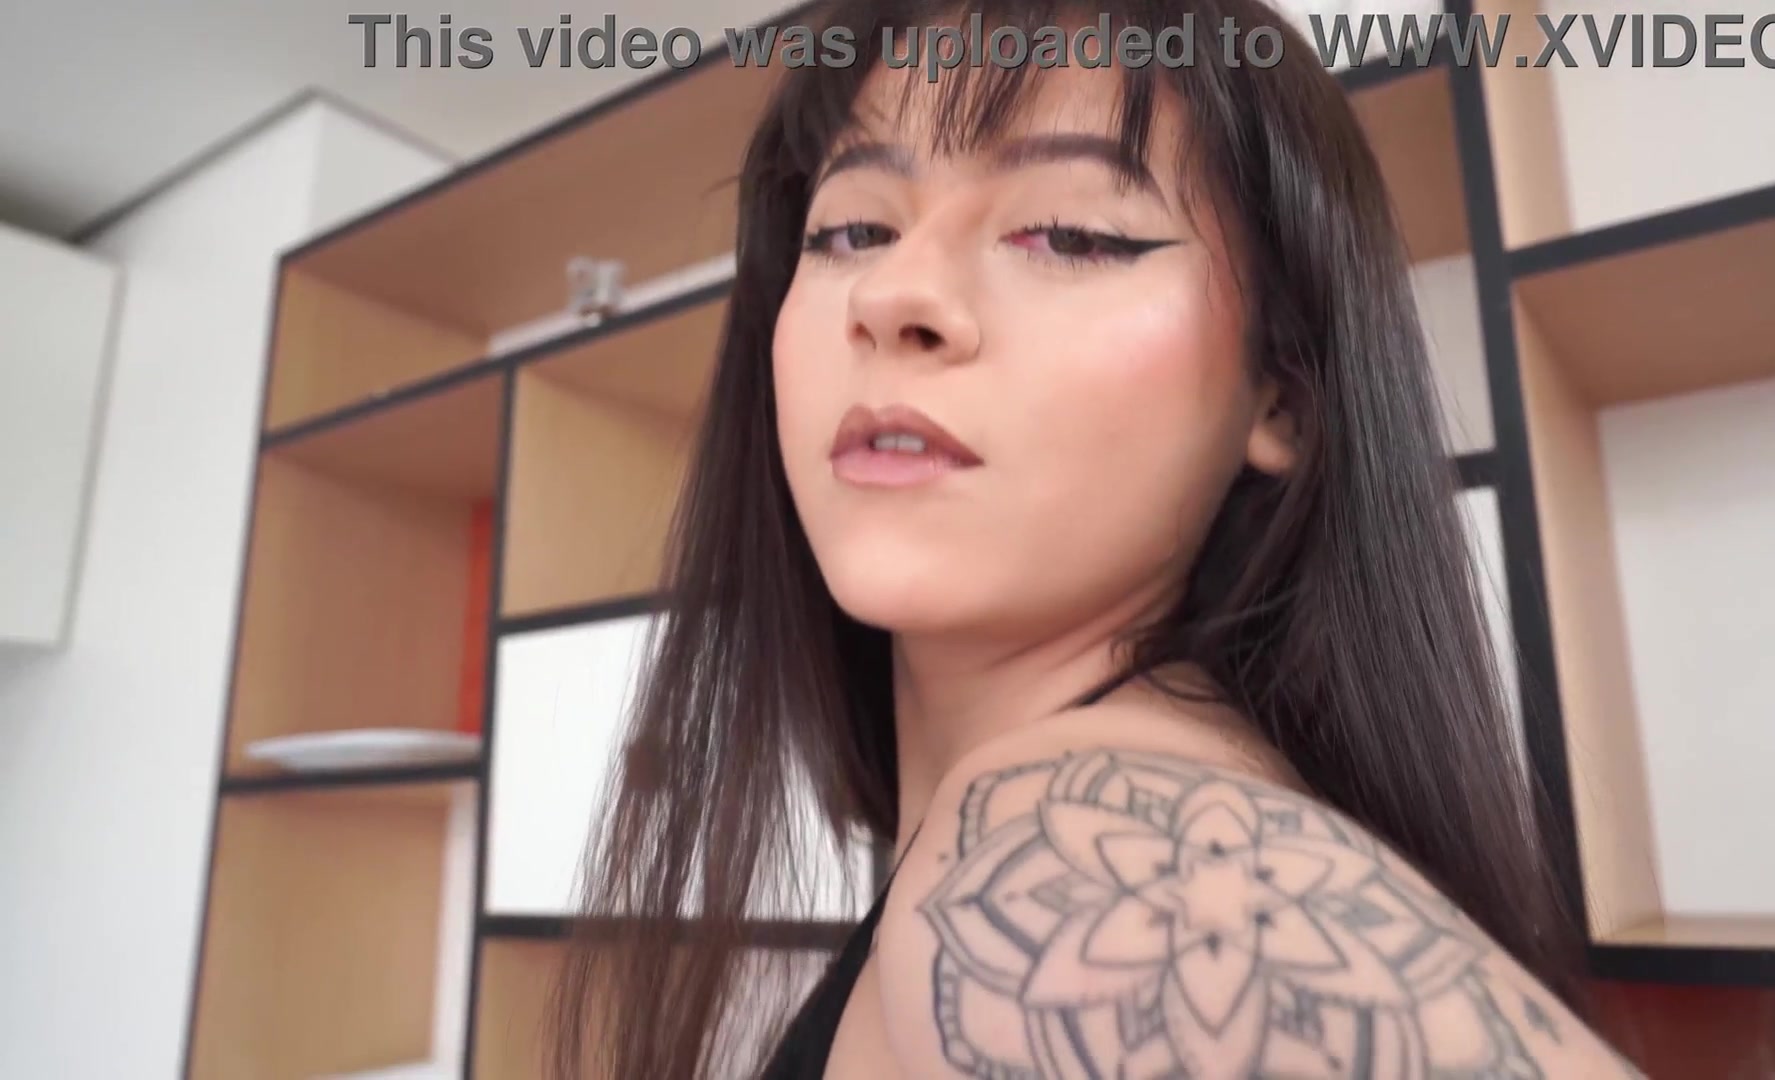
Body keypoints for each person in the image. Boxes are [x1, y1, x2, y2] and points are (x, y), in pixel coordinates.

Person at [547, 0, 1647, 1076]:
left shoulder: (1076, 853)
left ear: (1282, 397)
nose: (893, 293)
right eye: (851, 231)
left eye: (1070, 234)